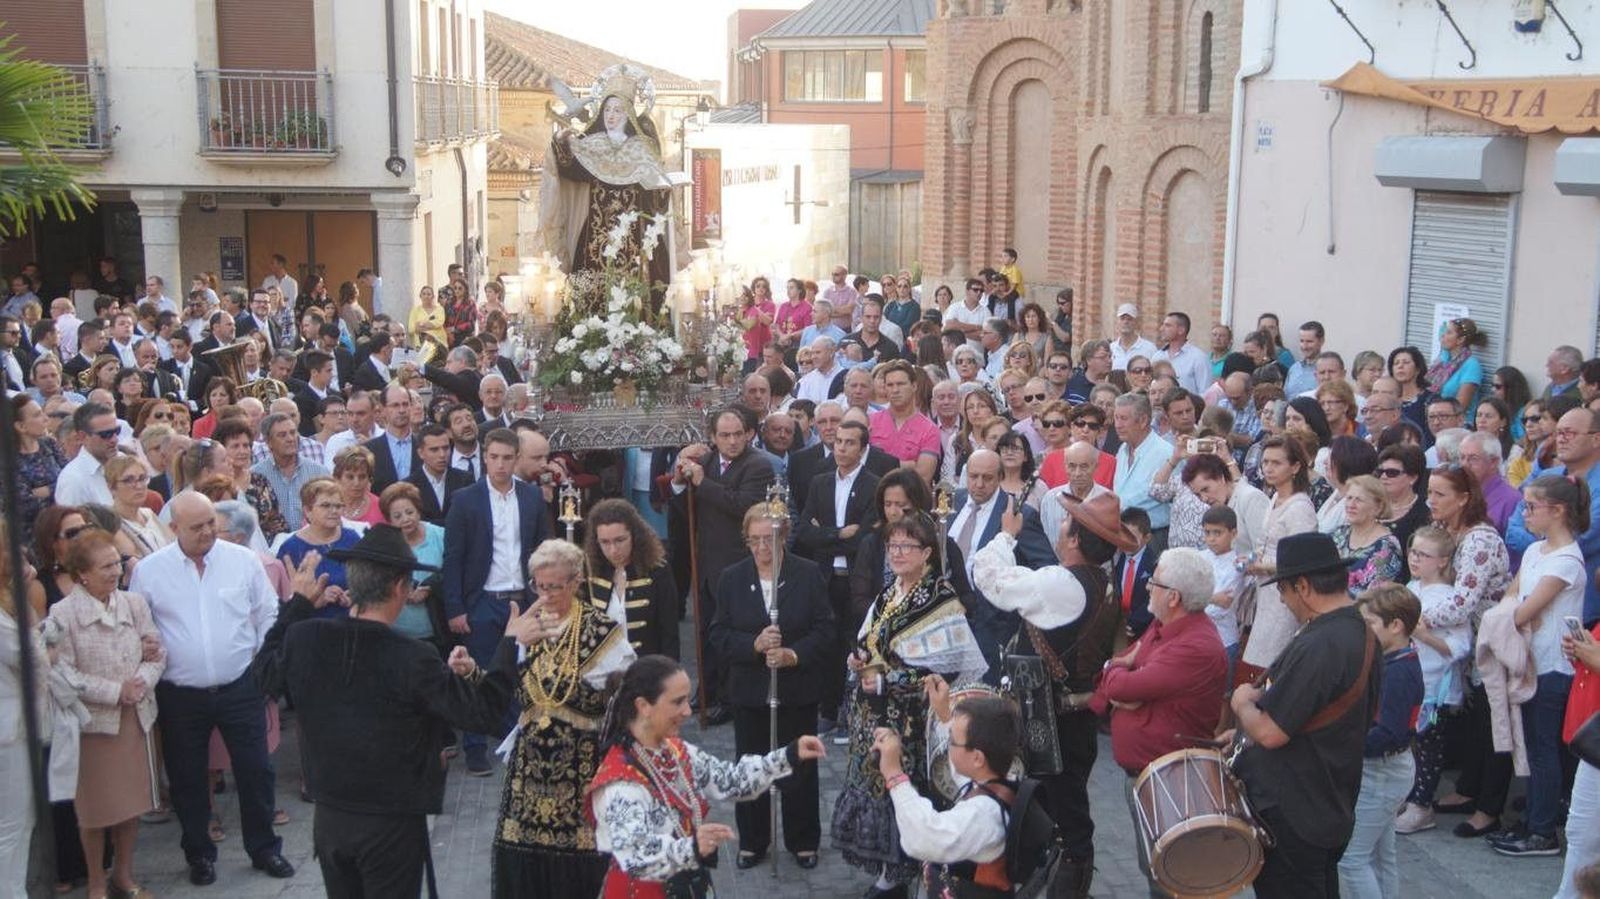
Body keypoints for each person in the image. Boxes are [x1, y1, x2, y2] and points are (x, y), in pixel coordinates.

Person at [250, 524, 534, 897]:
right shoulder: (413, 657)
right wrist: (510, 645)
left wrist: (298, 605)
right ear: (400, 587)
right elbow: (483, 714)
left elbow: (262, 676)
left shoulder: (306, 637)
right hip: (391, 825)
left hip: (331, 818)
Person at [972, 490, 1137, 898]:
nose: (1060, 528)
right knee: (1063, 806)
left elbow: (991, 579)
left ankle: (1062, 885)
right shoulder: (1103, 581)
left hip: (1052, 719)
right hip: (1070, 716)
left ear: (1076, 539)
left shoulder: (1063, 583)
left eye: (1067, 524)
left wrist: (1006, 536)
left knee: (1062, 814)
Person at [127, 492, 292, 885]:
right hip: (180, 693)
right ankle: (198, 854)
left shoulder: (241, 561)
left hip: (240, 685)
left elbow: (267, 612)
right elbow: (139, 623)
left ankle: (264, 848)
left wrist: (258, 663)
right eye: (196, 527)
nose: (207, 533)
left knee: (256, 771)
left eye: (210, 524)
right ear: (173, 529)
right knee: (187, 778)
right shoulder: (150, 571)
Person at [832, 511, 987, 896]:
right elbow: (869, 643)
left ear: (927, 553)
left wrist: (890, 679)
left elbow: (947, 672)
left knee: (905, 791)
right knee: (879, 790)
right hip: (873, 713)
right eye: (892, 546)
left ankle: (905, 872)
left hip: (912, 721)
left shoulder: (939, 597)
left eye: (907, 546)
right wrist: (860, 662)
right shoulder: (888, 594)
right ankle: (889, 868)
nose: (897, 553)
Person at [586, 655, 828, 896]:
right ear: (643, 706)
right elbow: (635, 855)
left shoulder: (675, 752)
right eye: (677, 702)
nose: (687, 711)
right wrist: (692, 847)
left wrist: (788, 755)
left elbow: (730, 781)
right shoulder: (620, 783)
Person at [1228, 532, 1383, 898]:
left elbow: (1270, 733)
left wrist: (1240, 705)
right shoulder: (1357, 630)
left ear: (1302, 586)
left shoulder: (1322, 643)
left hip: (1296, 811)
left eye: (1283, 591)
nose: (1283, 602)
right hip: (1326, 801)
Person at [492, 539, 634, 898]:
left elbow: (628, 694)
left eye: (555, 586)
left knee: (578, 860)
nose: (546, 594)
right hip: (529, 768)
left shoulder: (602, 632)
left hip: (580, 764)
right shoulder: (527, 626)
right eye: (540, 586)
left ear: (575, 582)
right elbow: (502, 684)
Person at [708, 506, 834, 869]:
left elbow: (825, 630)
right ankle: (753, 840)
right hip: (750, 690)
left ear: (784, 537)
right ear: (746, 540)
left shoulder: (807, 574)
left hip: (796, 690)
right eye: (756, 539)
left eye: (771, 538)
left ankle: (802, 839)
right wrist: (754, 645)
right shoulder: (732, 578)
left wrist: (793, 654)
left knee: (799, 766)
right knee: (750, 765)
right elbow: (718, 633)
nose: (763, 547)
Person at [50, 529, 166, 899]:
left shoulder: (134, 604)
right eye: (106, 566)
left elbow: (157, 651)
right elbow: (62, 672)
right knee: (95, 812)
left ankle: (124, 876)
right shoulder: (63, 613)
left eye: (117, 562)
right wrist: (116, 691)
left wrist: (142, 683)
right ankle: (97, 881)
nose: (116, 571)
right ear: (82, 573)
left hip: (137, 719)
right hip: (94, 725)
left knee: (131, 805)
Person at [1489, 474, 1590, 857]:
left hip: (1552, 668)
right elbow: (1511, 598)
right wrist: (1509, 612)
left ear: (1558, 510)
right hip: (1528, 662)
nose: (1524, 514)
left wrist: (1509, 613)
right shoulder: (1535, 552)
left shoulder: (1566, 560)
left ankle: (1543, 829)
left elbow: (1522, 611)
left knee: (1544, 750)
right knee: (1531, 747)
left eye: (1531, 507)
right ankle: (1532, 820)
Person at [444, 427, 551, 775]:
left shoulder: (532, 498)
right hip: (483, 600)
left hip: (522, 598)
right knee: (478, 672)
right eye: (494, 458)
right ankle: (475, 747)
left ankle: (521, 736)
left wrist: (544, 594)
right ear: (484, 457)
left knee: (523, 672)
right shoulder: (466, 499)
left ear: (516, 458)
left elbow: (542, 548)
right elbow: (454, 557)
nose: (501, 465)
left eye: (507, 458)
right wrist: (456, 607)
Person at [1423, 466, 1514, 839]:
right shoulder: (1447, 533)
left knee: (1495, 729)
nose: (1431, 500)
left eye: (1441, 494)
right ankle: (1467, 790)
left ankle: (1489, 809)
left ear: (1464, 498)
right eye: (1430, 492)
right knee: (1478, 726)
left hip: (1493, 647)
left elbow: (1461, 604)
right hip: (1470, 648)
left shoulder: (1480, 541)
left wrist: (1410, 617)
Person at [669, 406, 775, 723]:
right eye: (724, 435)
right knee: (707, 632)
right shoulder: (707, 461)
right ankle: (708, 690)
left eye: (737, 434)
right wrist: (678, 482)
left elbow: (744, 506)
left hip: (738, 563)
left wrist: (704, 484)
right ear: (713, 437)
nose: (731, 441)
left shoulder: (758, 465)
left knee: (735, 632)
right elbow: (685, 506)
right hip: (706, 561)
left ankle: (730, 699)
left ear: (748, 434)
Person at [870, 696, 1019, 897]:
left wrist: (894, 776)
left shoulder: (984, 816)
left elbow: (923, 838)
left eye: (951, 740)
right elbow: (960, 769)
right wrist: (945, 717)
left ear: (977, 757)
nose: (947, 744)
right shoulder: (998, 780)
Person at [1338, 584, 1424, 899]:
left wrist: (1341, 743)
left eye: (1371, 623)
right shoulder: (1395, 660)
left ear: (1396, 625)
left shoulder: (1400, 671)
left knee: (1352, 859)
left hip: (1382, 772)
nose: (1365, 630)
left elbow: (1387, 733)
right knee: (1380, 855)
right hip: (1389, 770)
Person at [1394, 526, 1473, 834]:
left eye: (1424, 555)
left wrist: (1423, 634)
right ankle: (1405, 796)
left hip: (1434, 687)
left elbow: (1460, 646)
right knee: (1406, 745)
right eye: (1413, 552)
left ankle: (1421, 803)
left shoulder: (1451, 598)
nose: (1415, 559)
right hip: (1408, 680)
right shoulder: (1411, 587)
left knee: (1428, 748)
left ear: (1442, 561)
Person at [1239, 436, 1320, 678]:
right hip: (1265, 591)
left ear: (1295, 467)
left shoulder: (1300, 507)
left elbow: (1303, 559)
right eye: (1265, 462)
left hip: (1286, 594)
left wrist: (1262, 566)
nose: (1269, 468)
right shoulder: (1275, 497)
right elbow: (1265, 542)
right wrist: (1250, 560)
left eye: (1277, 462)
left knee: (1272, 661)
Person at [1, 518, 50, 899]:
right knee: (12, 828)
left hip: (16, 727)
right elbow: (31, 656)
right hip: (8, 732)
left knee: (21, 823)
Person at [578, 498, 680, 658]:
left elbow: (669, 631)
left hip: (645, 668)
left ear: (634, 535)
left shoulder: (657, 570)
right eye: (604, 542)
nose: (613, 550)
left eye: (620, 540)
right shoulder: (589, 570)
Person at [1331, 474, 1402, 594]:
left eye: (1358, 500)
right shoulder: (1338, 534)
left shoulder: (1387, 546)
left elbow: (1376, 597)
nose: (1351, 505)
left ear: (1378, 507)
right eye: (1349, 498)